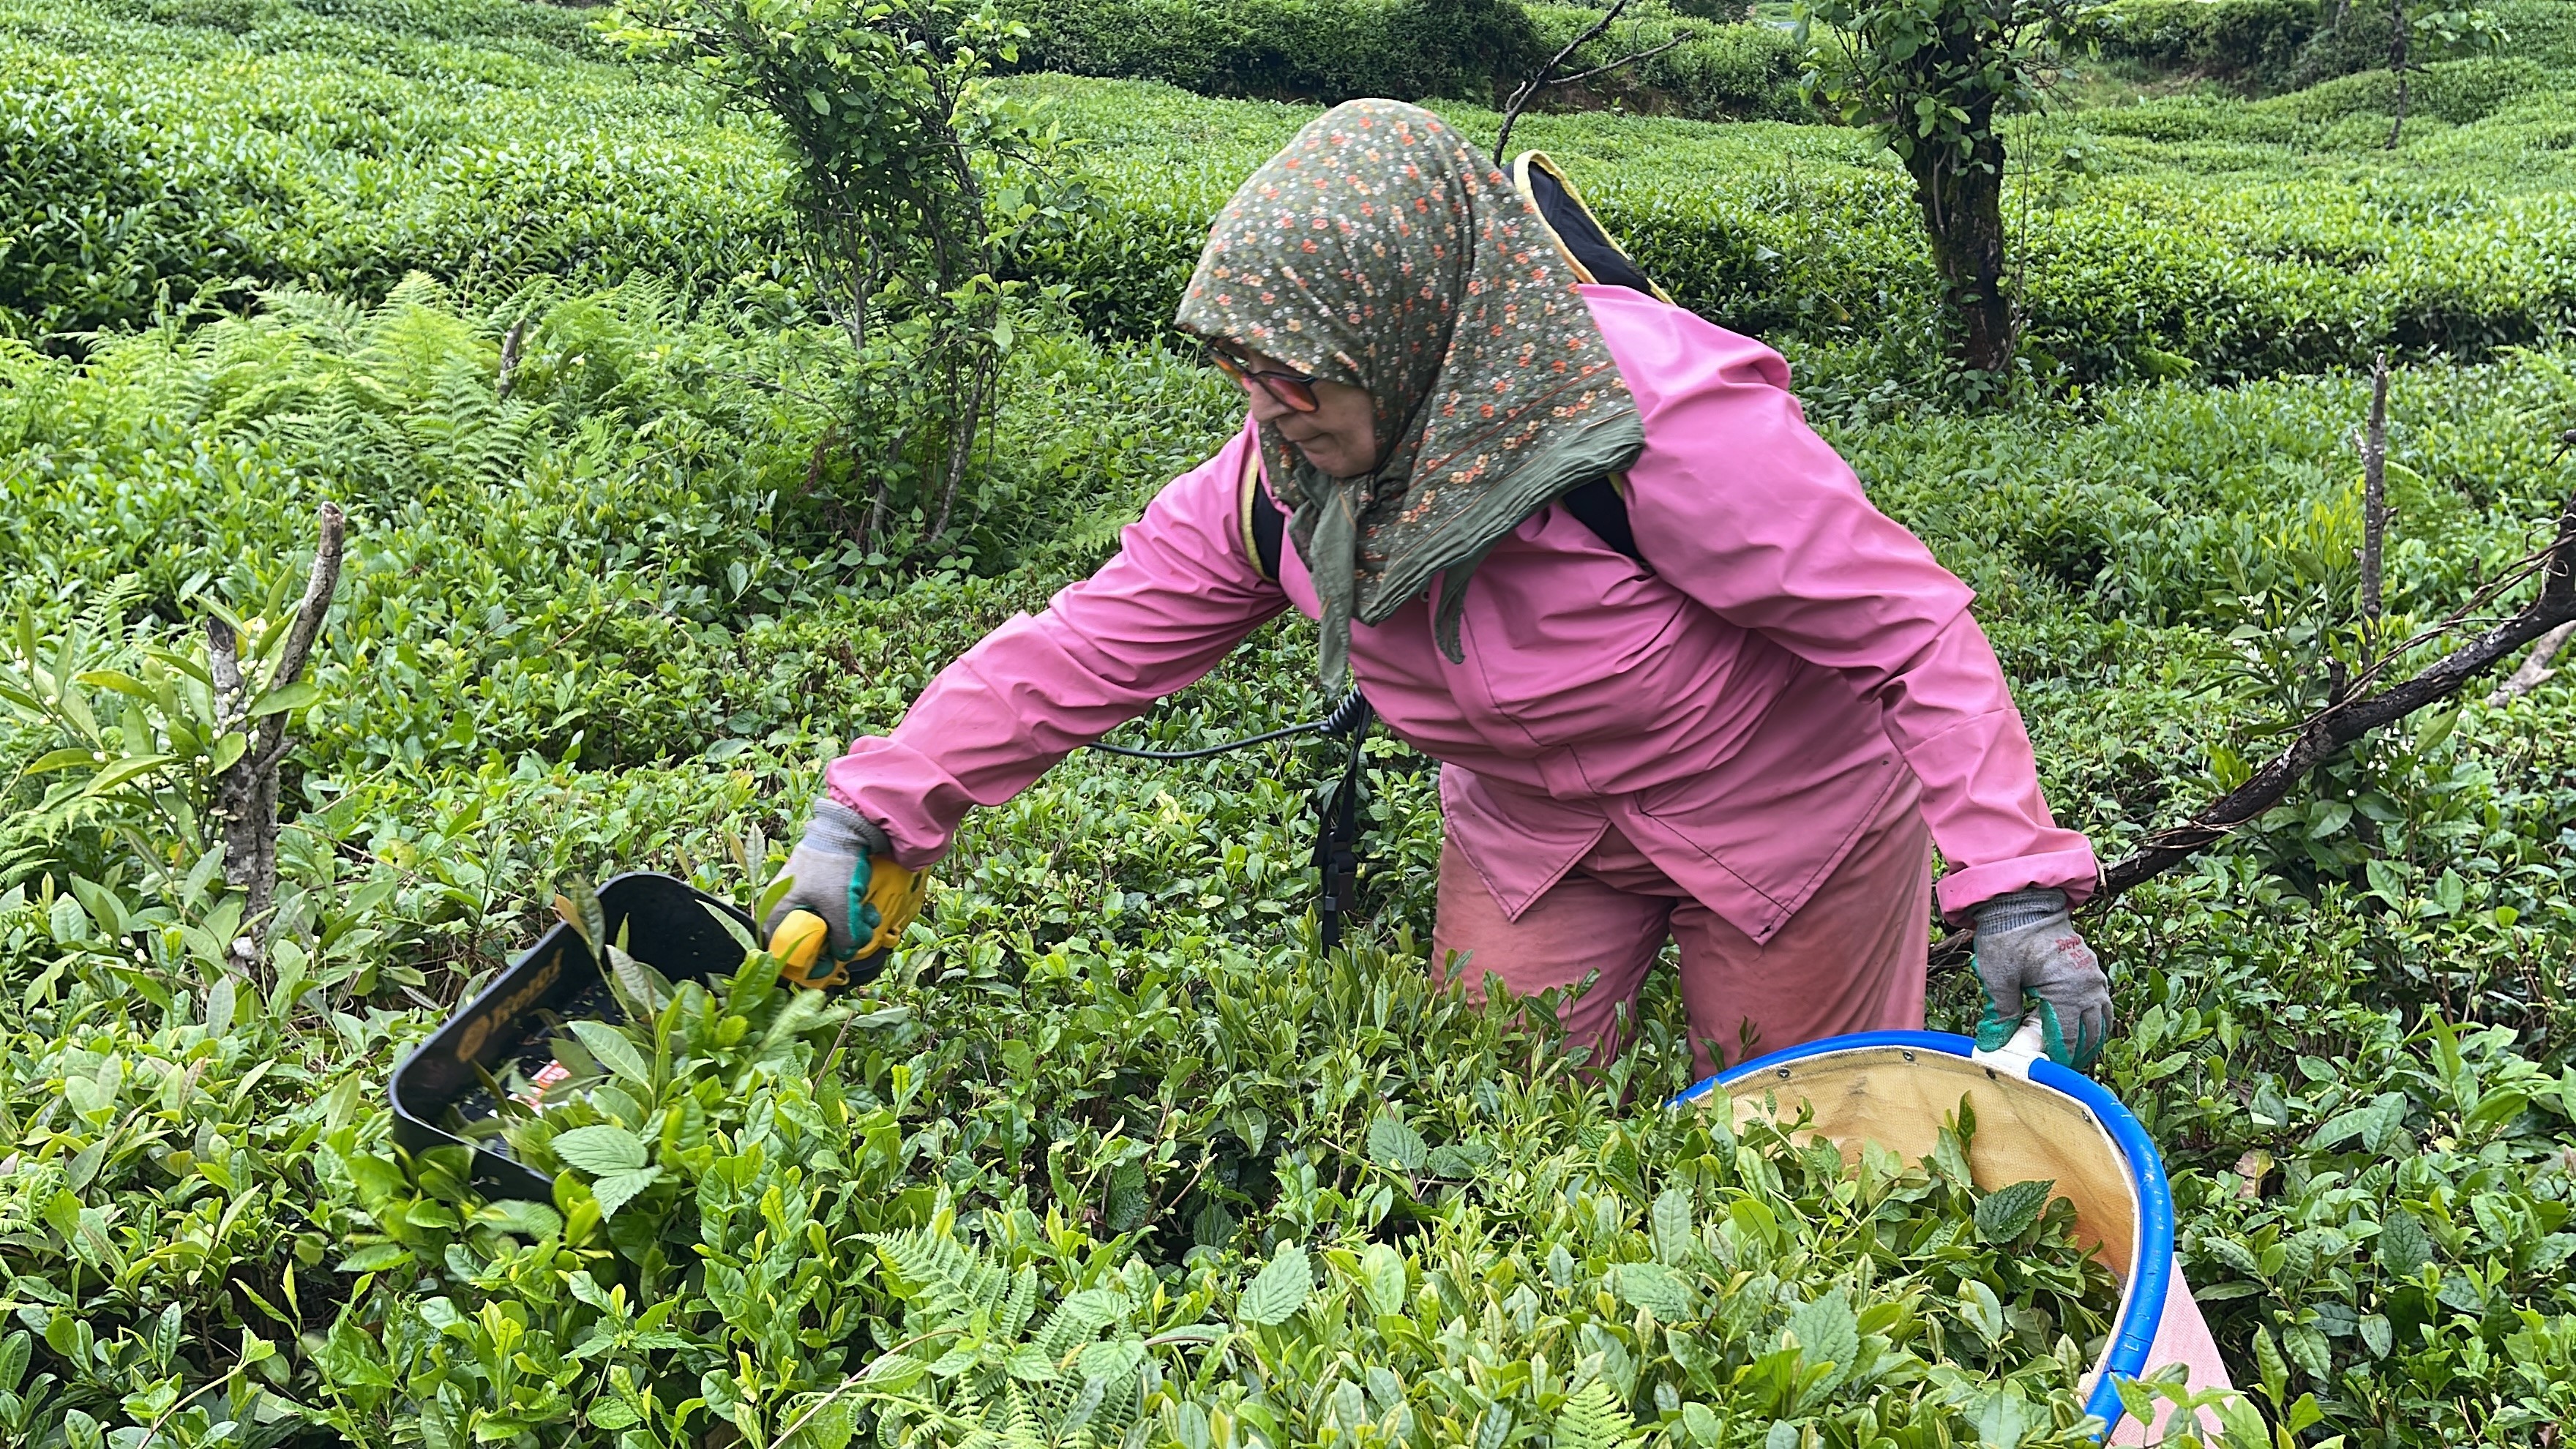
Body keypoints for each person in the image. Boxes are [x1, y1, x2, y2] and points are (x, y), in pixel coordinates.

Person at [765, 98, 2115, 1079]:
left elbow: (1907, 630)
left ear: (1410, 327)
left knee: (1799, 1151)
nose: (1271, 409)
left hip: (1783, 821)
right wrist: (870, 813)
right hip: (1535, 836)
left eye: (1304, 370)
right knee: (1493, 1119)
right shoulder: (1280, 481)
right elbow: (1087, 645)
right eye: (1244, 367)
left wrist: (2015, 889)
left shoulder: (1657, 422)